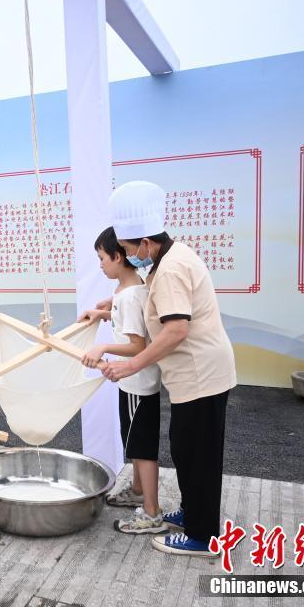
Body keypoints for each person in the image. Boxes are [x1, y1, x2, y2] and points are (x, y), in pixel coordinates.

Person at [99, 180, 236, 557]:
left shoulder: (171, 269)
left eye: (128, 249)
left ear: (145, 243)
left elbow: (176, 329)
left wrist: (131, 365)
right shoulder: (165, 261)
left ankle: (203, 536)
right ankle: (194, 513)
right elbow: (138, 296)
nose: (129, 257)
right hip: (193, 376)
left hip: (201, 375)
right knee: (186, 448)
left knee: (198, 455)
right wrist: (102, 308)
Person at [79, 227, 163, 535]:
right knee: (137, 442)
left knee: (143, 448)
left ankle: (152, 513)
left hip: (137, 384)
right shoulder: (135, 286)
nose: (100, 264)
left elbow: (137, 345)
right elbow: (123, 310)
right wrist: (101, 313)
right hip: (138, 384)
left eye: (102, 258)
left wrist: (103, 347)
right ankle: (139, 492)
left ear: (118, 256)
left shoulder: (127, 296)